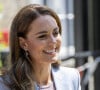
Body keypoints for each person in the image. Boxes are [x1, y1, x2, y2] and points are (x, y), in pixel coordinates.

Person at [0, 4, 81, 90]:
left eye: (55, 33)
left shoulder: (72, 78)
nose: (53, 41)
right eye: (42, 36)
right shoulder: (3, 86)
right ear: (23, 44)